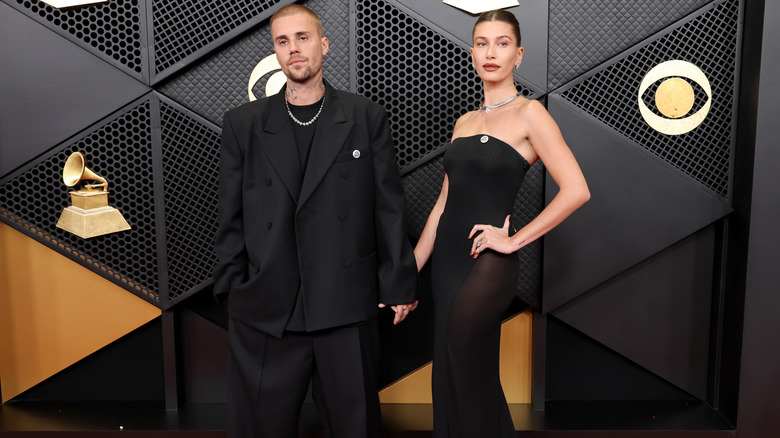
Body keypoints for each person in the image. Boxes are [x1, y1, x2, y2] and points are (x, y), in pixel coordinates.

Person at [213, 5, 418, 437]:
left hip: (344, 301)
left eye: (302, 38)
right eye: (283, 41)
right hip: (267, 308)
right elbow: (229, 215)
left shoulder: (365, 117)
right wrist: (233, 288)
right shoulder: (243, 124)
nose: (294, 49)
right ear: (275, 52)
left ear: (323, 45)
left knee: (355, 428)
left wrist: (398, 281)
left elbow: (388, 206)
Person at [413, 9, 591, 437]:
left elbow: (577, 190)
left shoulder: (531, 114)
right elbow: (442, 206)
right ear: (472, 52)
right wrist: (407, 273)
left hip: (486, 262)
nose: (490, 52)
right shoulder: (465, 122)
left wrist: (514, 241)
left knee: (463, 364)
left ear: (519, 54)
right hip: (447, 264)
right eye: (481, 43)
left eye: (502, 43)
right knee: (455, 374)